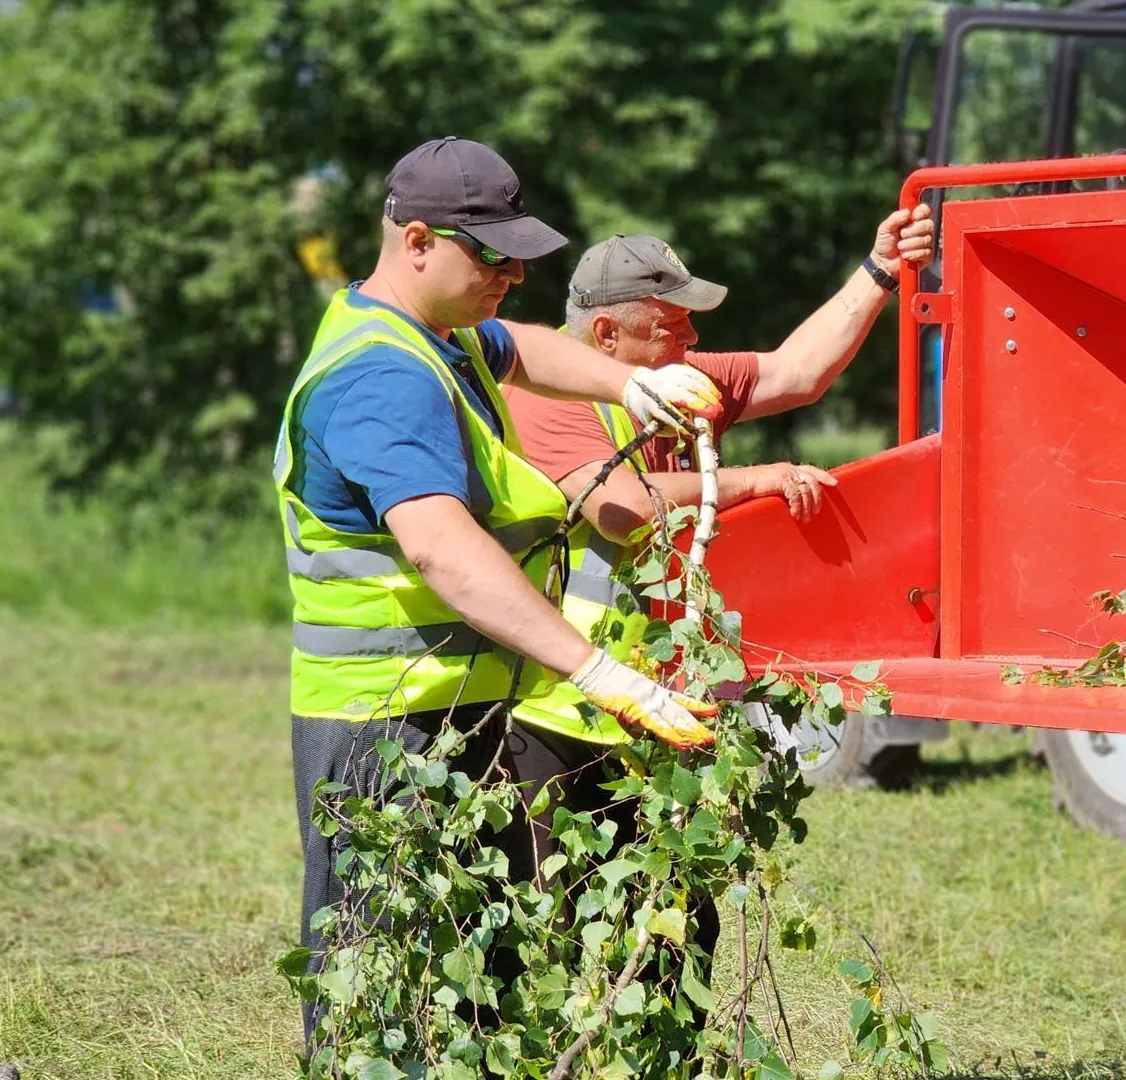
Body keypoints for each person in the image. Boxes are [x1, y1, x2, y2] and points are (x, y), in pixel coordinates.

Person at [274, 136, 726, 1043]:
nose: (513, 275)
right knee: (386, 1001)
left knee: (475, 986)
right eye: (493, 255)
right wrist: (600, 672)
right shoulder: (381, 376)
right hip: (385, 738)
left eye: (519, 256)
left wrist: (633, 388)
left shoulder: (432, 334)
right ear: (415, 243)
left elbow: (517, 349)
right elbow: (445, 553)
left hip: (456, 720)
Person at [497, 207, 934, 743]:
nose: (692, 337)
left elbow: (796, 372)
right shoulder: (544, 395)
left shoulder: (672, 375)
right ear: (608, 333)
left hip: (662, 684)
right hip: (566, 707)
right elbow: (626, 511)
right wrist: (756, 480)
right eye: (671, 325)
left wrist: (879, 270)